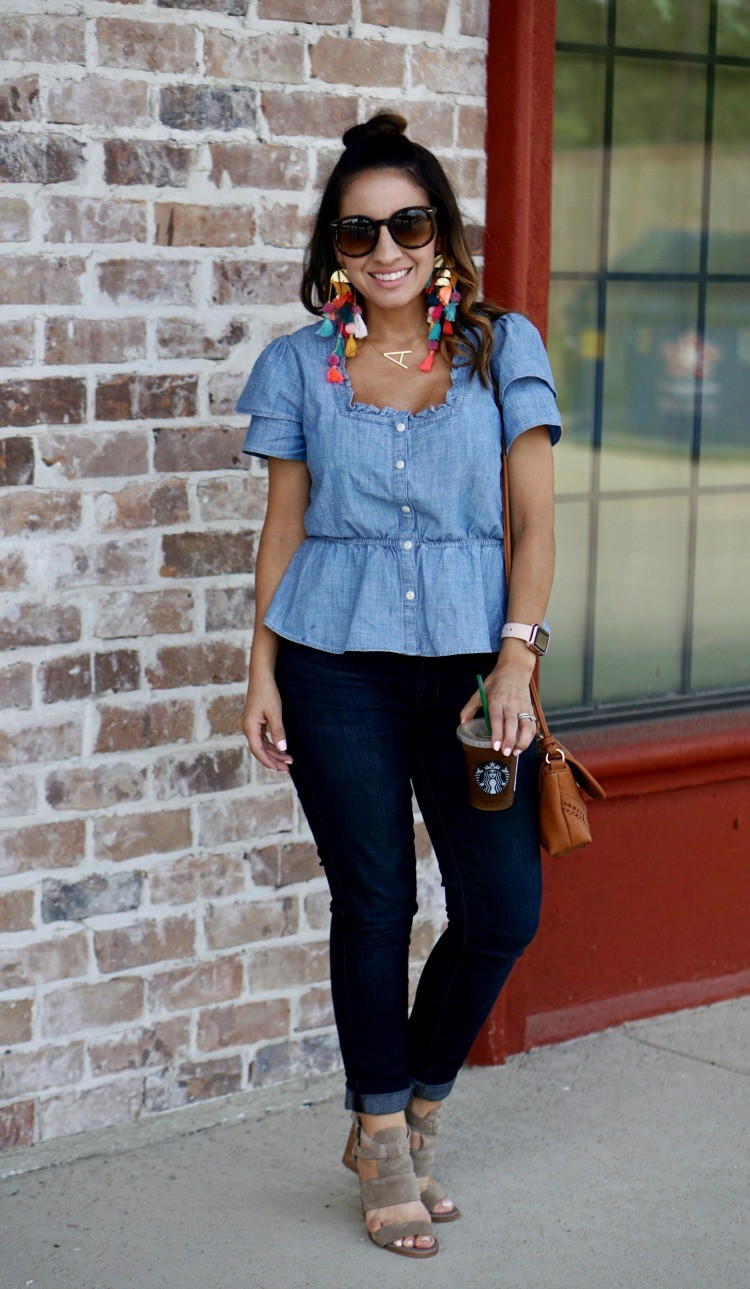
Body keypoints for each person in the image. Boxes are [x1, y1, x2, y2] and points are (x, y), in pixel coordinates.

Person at [237, 112, 561, 1258]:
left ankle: (421, 1097)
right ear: (334, 242)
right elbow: (285, 524)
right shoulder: (297, 364)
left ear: (442, 234)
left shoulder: (500, 346)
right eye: (361, 227)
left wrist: (517, 653)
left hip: (476, 673)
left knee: (501, 910)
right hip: (333, 668)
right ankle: (382, 1135)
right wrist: (262, 667)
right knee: (374, 903)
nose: (387, 247)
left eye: (408, 222)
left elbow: (532, 521)